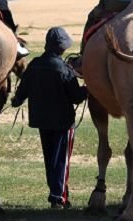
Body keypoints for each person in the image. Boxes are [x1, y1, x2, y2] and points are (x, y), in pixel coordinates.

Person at [11, 27, 87, 209]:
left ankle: (57, 194)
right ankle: (58, 197)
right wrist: (89, 88)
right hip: (63, 122)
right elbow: (76, 97)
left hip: (41, 120)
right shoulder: (64, 70)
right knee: (61, 160)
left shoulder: (34, 64)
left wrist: (16, 100)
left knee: (50, 159)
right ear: (62, 48)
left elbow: (20, 94)